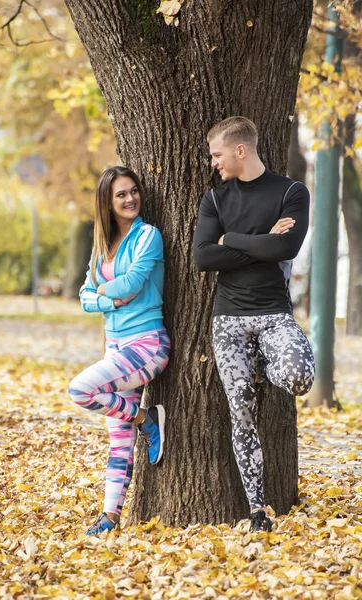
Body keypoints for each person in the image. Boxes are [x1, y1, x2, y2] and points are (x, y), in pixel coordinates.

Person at [193, 116, 315, 532]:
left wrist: (233, 239)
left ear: (240, 150)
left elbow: (289, 246)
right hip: (229, 322)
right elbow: (204, 258)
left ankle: (265, 363)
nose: (213, 163)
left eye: (217, 154)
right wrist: (264, 241)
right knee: (241, 416)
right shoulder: (215, 199)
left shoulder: (292, 192)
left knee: (299, 377)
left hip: (275, 315)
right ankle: (258, 509)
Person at [69, 166, 170, 536]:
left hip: (148, 345)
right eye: (121, 195)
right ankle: (110, 518)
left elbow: (132, 283)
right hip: (116, 348)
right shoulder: (102, 246)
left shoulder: (148, 236)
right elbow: (84, 298)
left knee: (80, 389)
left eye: (133, 192)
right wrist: (110, 300)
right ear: (107, 204)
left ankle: (145, 418)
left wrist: (101, 292)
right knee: (119, 442)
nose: (130, 199)